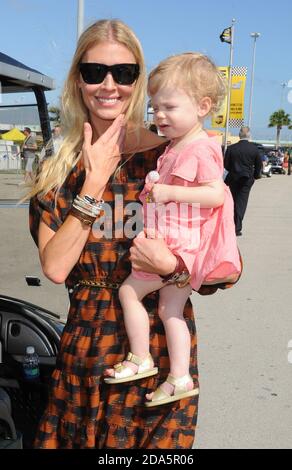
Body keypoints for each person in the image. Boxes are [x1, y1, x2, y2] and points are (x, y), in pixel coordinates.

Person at [27, 19, 207, 449]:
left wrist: (176, 268)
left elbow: (225, 264)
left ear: (138, 80)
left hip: (161, 346)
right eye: (95, 72)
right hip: (88, 343)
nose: (109, 85)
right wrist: (94, 182)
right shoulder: (55, 168)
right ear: (78, 79)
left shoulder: (170, 157)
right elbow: (55, 266)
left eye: (123, 73)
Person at [104, 53, 241, 407]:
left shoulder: (200, 148)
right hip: (182, 249)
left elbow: (215, 194)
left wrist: (167, 191)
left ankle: (141, 358)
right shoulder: (178, 146)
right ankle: (180, 376)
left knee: (129, 293)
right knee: (170, 312)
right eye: (154, 108)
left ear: (202, 106)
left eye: (168, 107)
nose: (159, 116)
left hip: (176, 246)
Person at [224, 126, 262, 236]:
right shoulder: (254, 149)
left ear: (239, 135)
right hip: (246, 179)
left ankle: (230, 225)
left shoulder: (231, 148)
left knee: (232, 202)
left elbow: (225, 165)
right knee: (241, 202)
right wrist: (256, 176)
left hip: (233, 179)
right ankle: (237, 228)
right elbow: (258, 165)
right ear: (249, 135)